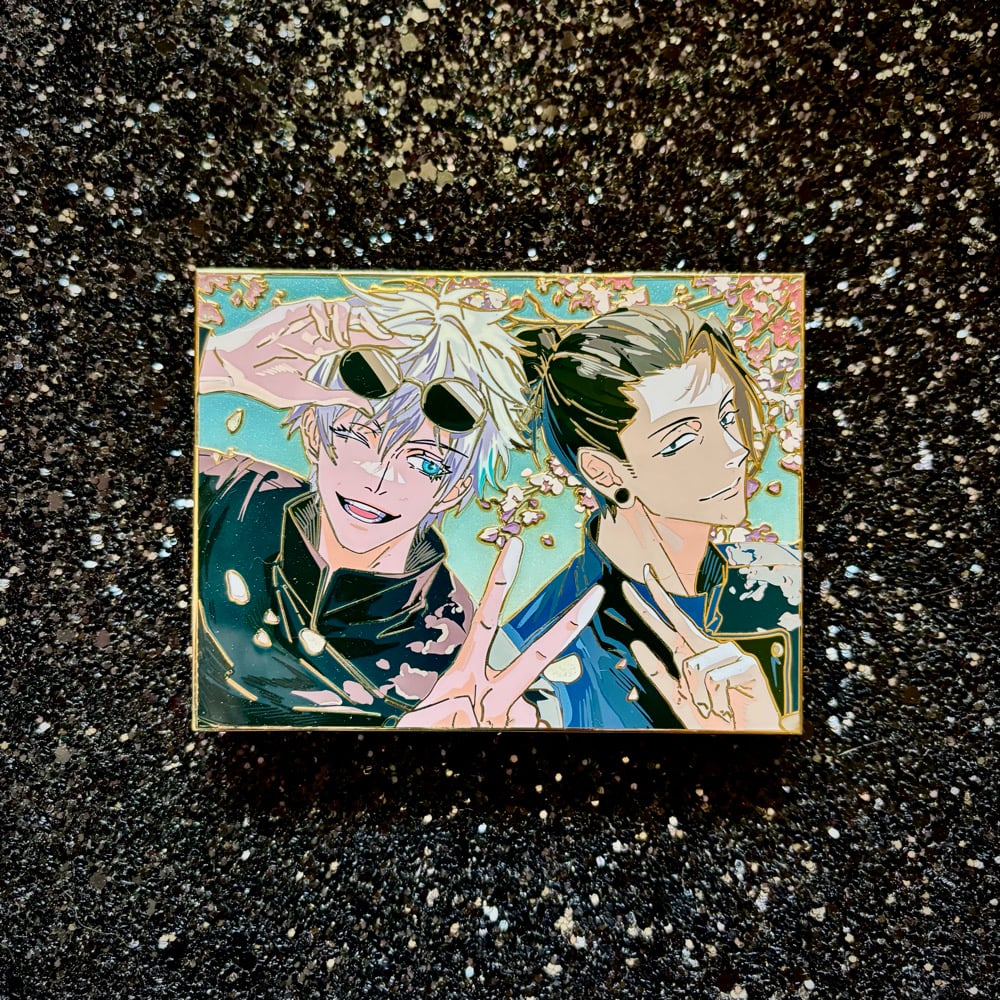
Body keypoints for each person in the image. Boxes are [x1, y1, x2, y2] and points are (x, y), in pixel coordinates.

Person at [194, 278, 602, 729]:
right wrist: (221, 364)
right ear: (313, 434)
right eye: (356, 435)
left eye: (425, 463)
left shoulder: (458, 645)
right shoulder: (227, 495)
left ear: (453, 488)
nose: (378, 478)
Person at [506, 304, 801, 731]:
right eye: (681, 440)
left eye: (727, 417)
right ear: (604, 472)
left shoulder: (787, 580)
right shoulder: (537, 649)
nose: (734, 451)